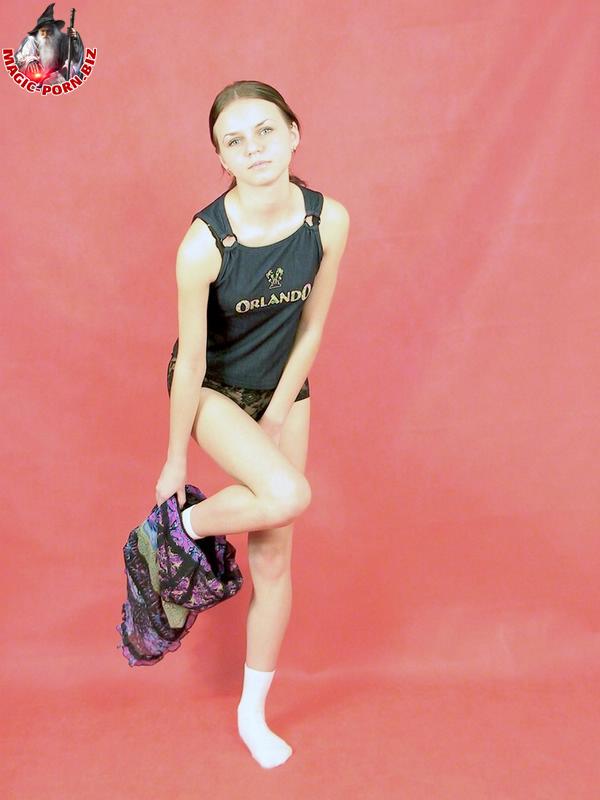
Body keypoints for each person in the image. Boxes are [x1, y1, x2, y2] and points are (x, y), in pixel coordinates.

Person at [155, 80, 350, 769]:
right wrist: (175, 460)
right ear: (221, 158)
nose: (254, 149)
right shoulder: (203, 244)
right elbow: (190, 360)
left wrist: (279, 410)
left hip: (285, 387)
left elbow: (313, 327)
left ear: (294, 132)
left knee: (273, 555)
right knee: (289, 493)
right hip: (212, 389)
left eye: (266, 130)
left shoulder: (328, 221)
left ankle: (252, 714)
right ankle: (185, 525)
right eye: (234, 141)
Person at [14, 3, 82, 85]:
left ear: (54, 31)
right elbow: (20, 58)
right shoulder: (32, 40)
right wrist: (30, 61)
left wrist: (75, 38)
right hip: (37, 80)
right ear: (38, 32)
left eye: (48, 31)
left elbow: (75, 56)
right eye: (43, 31)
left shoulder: (62, 40)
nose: (45, 35)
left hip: (58, 78)